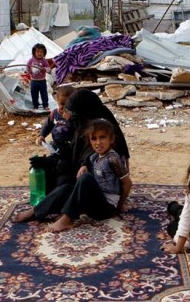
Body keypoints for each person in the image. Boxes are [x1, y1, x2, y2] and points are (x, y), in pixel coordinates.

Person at [15, 89, 131, 222]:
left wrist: (120, 204)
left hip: (99, 192)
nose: (66, 115)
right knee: (60, 183)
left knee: (68, 180)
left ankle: (67, 218)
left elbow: (85, 166)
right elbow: (72, 153)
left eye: (70, 112)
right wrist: (50, 160)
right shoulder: (86, 128)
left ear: (80, 112)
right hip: (90, 188)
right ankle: (36, 211)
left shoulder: (101, 135)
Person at [26, 43, 50, 110]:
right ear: (34, 52)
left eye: (41, 52)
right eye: (38, 51)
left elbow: (48, 68)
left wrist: (44, 69)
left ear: (44, 53)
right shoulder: (31, 60)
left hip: (42, 81)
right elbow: (27, 68)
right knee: (34, 94)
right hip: (34, 81)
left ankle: (45, 105)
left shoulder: (44, 61)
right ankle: (35, 105)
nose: (39, 53)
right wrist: (29, 71)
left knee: (44, 94)